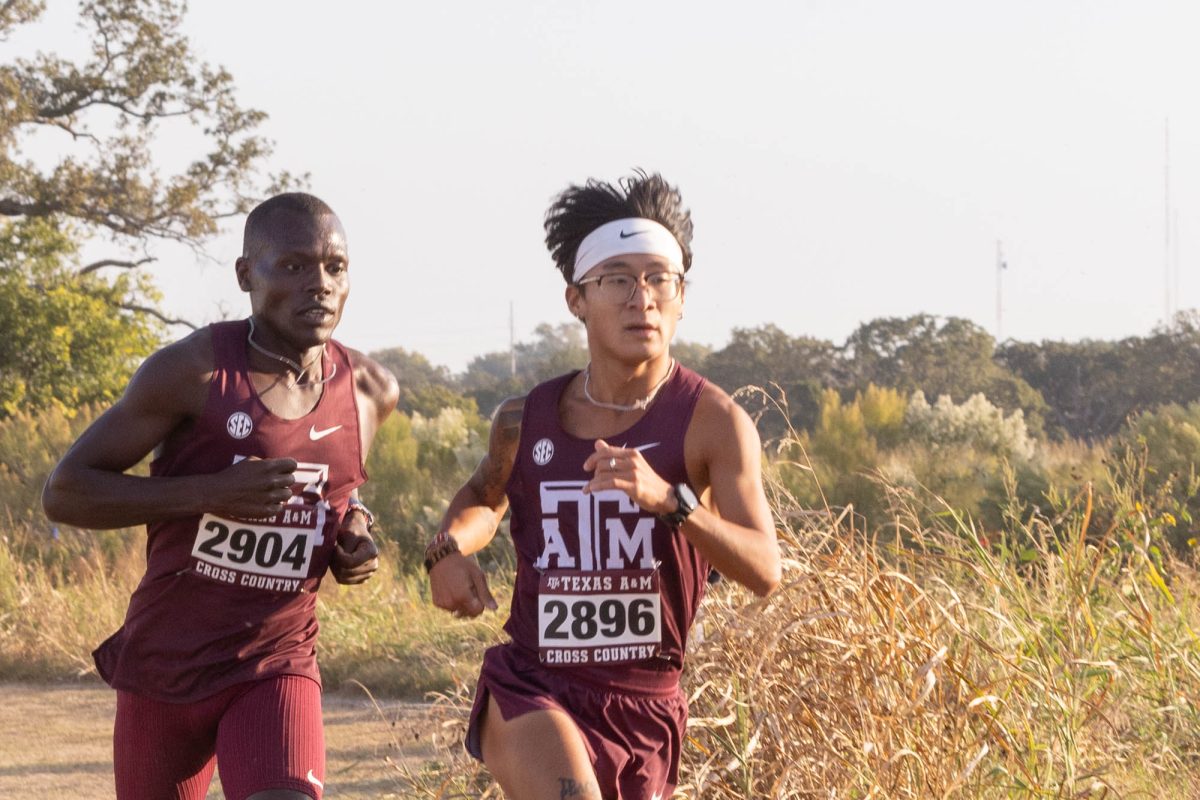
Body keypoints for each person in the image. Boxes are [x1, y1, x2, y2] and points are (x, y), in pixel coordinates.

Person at [427, 171, 781, 800]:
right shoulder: (525, 416)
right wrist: (447, 551)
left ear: (680, 298)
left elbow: (764, 570)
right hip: (534, 685)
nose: (640, 298)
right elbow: (485, 495)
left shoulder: (714, 422)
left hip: (647, 706)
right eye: (617, 279)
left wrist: (673, 504)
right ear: (576, 299)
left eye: (658, 279)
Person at [42, 192, 399, 800]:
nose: (319, 283)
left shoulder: (370, 389)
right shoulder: (195, 372)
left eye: (335, 267)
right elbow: (67, 492)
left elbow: (342, 492)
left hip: (275, 662)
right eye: (293, 265)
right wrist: (210, 494)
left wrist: (354, 534)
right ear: (245, 276)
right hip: (166, 667)